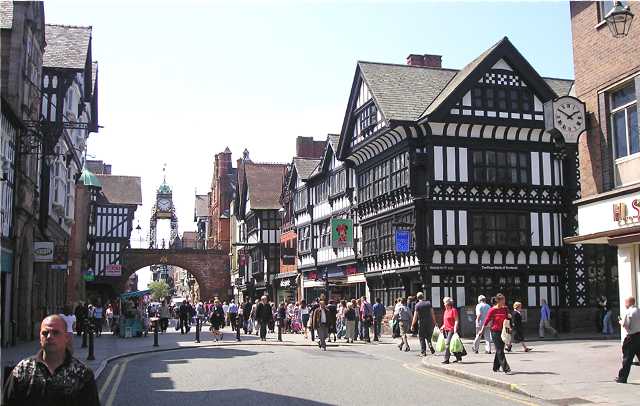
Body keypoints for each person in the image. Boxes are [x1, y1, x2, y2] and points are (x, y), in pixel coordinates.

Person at [2, 315, 100, 406]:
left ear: (66, 338)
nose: (49, 337)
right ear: (40, 338)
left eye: (56, 333)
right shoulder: (22, 370)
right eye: (45, 333)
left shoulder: (82, 374)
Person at [483, 293, 511, 373]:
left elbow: (507, 320)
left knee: (500, 349)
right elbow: (487, 319)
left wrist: (510, 327)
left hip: (503, 331)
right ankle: (506, 367)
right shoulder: (492, 309)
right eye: (503, 300)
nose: (504, 301)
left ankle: (495, 367)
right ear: (498, 301)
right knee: (499, 349)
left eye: (504, 300)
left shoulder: (505, 309)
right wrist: (482, 329)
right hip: (495, 331)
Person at [616, 296, 640, 383]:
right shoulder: (639, 310)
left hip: (631, 337)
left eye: (625, 303)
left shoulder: (628, 312)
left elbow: (627, 326)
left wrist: (620, 321)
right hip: (639, 335)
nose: (625, 304)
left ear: (629, 303)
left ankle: (622, 377)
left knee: (627, 358)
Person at [412, 292, 436, 357]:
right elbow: (432, 313)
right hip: (429, 322)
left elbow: (415, 316)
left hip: (421, 322)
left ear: (417, 298)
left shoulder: (417, 305)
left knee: (421, 337)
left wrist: (412, 325)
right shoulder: (428, 303)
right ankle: (431, 347)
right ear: (423, 296)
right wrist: (434, 322)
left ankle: (423, 352)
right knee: (428, 336)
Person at [440, 297, 462, 364]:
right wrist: (442, 327)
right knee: (453, 344)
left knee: (447, 344)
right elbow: (445, 321)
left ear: (448, 303)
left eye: (444, 303)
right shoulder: (446, 311)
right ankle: (458, 357)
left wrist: (455, 328)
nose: (444, 304)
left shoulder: (453, 310)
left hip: (452, 330)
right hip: (446, 330)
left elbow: (456, 320)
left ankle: (446, 359)